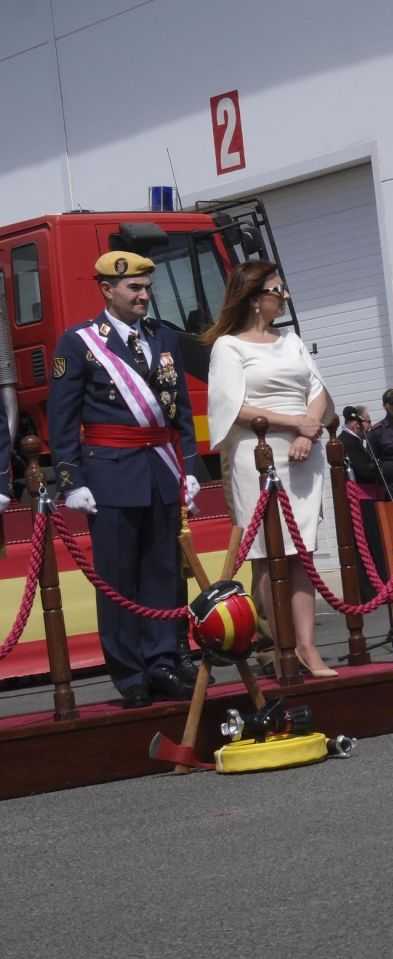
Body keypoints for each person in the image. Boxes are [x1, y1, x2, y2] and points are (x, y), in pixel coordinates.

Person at [48, 251, 203, 707]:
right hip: (110, 472)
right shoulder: (79, 343)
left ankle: (162, 664)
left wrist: (191, 469)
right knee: (118, 581)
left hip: (160, 467)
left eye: (147, 287)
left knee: (161, 575)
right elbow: (62, 419)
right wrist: (71, 479)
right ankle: (129, 674)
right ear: (107, 290)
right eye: (134, 288)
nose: (143, 295)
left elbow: (183, 412)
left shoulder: (165, 337)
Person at [204, 261, 338, 676]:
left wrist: (308, 432)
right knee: (269, 554)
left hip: (303, 453)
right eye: (277, 290)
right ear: (254, 297)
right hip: (258, 456)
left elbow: (319, 393)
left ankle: (308, 647)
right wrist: (291, 423)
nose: (285, 297)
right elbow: (232, 406)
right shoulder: (229, 347)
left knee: (303, 552)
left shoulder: (292, 341)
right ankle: (281, 648)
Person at [337, 405, 391, 583]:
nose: (370, 425)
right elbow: (363, 471)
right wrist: (380, 467)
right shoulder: (347, 442)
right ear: (356, 424)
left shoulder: (354, 442)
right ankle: (375, 585)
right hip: (362, 500)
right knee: (370, 545)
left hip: (369, 498)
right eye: (367, 421)